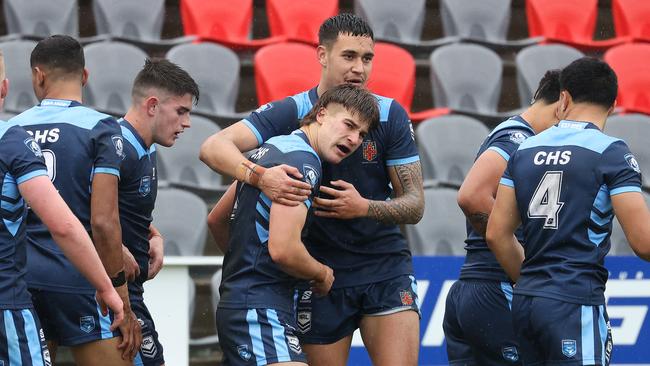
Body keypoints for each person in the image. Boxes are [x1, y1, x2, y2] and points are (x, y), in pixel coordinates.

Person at [200, 13, 424, 366]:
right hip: (317, 275)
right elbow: (214, 146)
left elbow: (415, 206)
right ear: (322, 56)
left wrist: (363, 207)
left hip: (384, 267)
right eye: (348, 56)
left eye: (367, 59)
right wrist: (260, 176)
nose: (359, 69)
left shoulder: (388, 114)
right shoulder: (293, 112)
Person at [486, 57, 650, 365]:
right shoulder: (612, 153)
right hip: (575, 302)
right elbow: (643, 242)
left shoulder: (524, 150)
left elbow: (496, 233)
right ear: (612, 105)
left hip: (527, 302)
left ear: (565, 97)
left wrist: (534, 283)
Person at [213, 84, 379, 366]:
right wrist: (322, 272)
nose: (353, 139)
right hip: (260, 307)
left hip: (246, 302)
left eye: (361, 134)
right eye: (349, 125)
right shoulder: (303, 163)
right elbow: (284, 250)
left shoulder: (269, 149)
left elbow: (216, 219)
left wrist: (245, 265)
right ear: (322, 114)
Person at [9, 35, 141, 365]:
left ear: (38, 76)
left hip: (21, 278)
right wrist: (119, 293)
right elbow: (103, 221)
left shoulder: (12, 129)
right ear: (85, 76)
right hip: (77, 276)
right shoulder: (102, 128)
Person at [444, 70, 561, 365]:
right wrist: (522, 270)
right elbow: (471, 196)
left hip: (473, 288)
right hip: (497, 289)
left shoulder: (518, 136)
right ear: (563, 105)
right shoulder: (518, 140)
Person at [117, 58, 199, 366]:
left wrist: (155, 234)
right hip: (110, 290)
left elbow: (124, 206)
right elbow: (74, 208)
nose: (187, 123)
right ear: (153, 105)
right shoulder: (115, 146)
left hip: (129, 289)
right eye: (181, 111)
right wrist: (114, 248)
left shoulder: (147, 147)